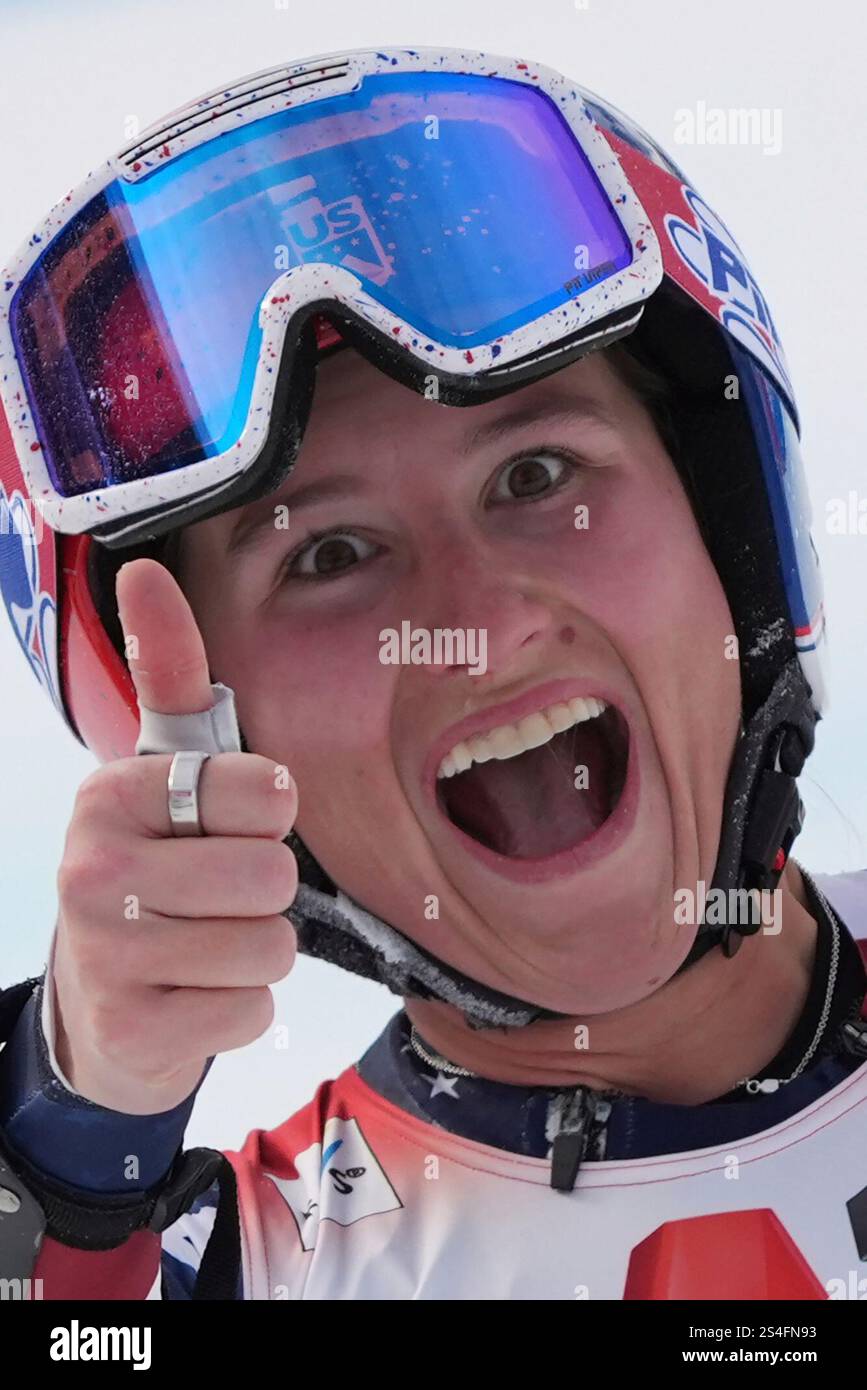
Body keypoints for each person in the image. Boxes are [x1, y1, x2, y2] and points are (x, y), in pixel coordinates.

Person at [0, 45, 865, 1302]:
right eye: (331, 555)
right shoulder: (233, 1271)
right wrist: (68, 1131)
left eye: (536, 477)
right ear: (212, 747)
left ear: (732, 543)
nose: (479, 626)